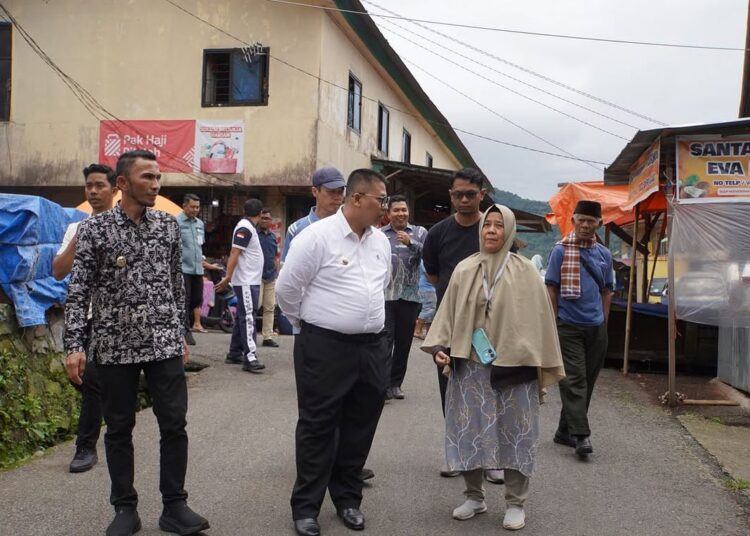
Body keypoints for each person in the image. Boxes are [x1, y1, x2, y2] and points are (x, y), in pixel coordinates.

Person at [64, 150, 209, 536]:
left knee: (174, 424)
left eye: (159, 177)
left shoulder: (167, 226)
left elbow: (175, 285)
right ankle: (125, 507)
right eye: (148, 177)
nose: (156, 184)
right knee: (118, 428)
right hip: (113, 345)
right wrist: (75, 345)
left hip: (163, 344)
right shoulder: (93, 230)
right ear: (124, 183)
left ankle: (175, 506)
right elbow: (78, 292)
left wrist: (180, 332)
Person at [422, 204, 564, 531]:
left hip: (514, 368)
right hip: (470, 367)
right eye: (487, 225)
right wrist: (441, 348)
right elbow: (448, 315)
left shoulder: (526, 271)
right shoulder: (464, 269)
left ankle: (516, 503)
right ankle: (474, 496)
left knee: (516, 433)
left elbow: (540, 321)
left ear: (509, 231)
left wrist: (536, 359)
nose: (491, 231)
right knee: (468, 430)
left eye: (499, 226)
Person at [277, 169, 391, 536]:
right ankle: (306, 507)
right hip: (324, 348)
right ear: (356, 199)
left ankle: (348, 499)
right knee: (317, 427)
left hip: (371, 348)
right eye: (380, 200)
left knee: (360, 426)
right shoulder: (316, 238)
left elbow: (381, 285)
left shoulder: (381, 242)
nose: (384, 207)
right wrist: (312, 326)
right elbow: (287, 291)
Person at [423, 167, 504, 483]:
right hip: (451, 324)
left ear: (481, 194)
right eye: (459, 194)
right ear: (451, 196)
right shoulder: (438, 234)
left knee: (491, 388)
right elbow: (434, 277)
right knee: (452, 389)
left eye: (471, 194)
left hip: (490, 326)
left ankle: (491, 458)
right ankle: (458, 454)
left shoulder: (494, 230)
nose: (465, 199)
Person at [53, 163, 117, 474]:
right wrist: (82, 236)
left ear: (115, 188)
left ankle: (85, 445)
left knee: (93, 380)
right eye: (89, 186)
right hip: (84, 318)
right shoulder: (75, 228)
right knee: (86, 378)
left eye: (99, 186)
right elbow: (58, 270)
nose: (93, 191)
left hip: (117, 320)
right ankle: (92, 439)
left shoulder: (124, 228)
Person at [545, 200, 613, 458]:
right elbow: (550, 286)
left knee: (589, 381)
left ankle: (564, 431)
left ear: (599, 224)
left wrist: (604, 322)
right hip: (567, 324)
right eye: (581, 220)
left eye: (591, 221)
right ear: (573, 221)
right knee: (574, 379)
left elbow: (607, 290)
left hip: (596, 327)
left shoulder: (604, 254)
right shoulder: (560, 251)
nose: (585, 225)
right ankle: (581, 435)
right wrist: (554, 318)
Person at [380, 194, 427, 401]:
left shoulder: (420, 233)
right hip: (386, 296)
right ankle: (382, 384)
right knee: (384, 340)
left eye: (404, 210)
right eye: (396, 210)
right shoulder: (380, 234)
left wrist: (411, 243)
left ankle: (395, 384)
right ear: (388, 213)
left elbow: (430, 255)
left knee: (403, 342)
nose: (401, 213)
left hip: (410, 297)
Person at [216, 199, 266, 373]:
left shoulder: (248, 227)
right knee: (248, 317)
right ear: (260, 213)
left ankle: (235, 353)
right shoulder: (245, 228)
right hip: (246, 280)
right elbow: (234, 252)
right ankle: (250, 356)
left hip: (249, 279)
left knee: (242, 316)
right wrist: (228, 276)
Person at [281, 166, 346, 263]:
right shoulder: (297, 229)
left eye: (340, 192)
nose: (337, 197)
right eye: (331, 192)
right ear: (315, 191)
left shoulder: (347, 228)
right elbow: (286, 268)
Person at [177, 193, 205, 343]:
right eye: (192, 207)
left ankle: (187, 327)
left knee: (197, 299)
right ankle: (185, 331)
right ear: (184, 206)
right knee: (184, 300)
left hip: (197, 268)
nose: (195, 210)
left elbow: (200, 246)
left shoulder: (199, 224)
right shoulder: (177, 221)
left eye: (198, 207)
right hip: (183, 268)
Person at [257, 208, 280, 347]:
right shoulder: (254, 235)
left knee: (270, 307)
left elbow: (276, 257)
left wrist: (278, 273)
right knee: (255, 307)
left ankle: (267, 337)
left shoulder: (273, 237)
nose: (265, 221)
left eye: (267, 218)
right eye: (263, 218)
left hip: (271, 276)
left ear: (271, 221)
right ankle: (248, 335)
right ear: (259, 219)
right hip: (257, 276)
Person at [414, 261, 436, 340]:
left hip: (428, 288)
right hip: (427, 288)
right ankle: (418, 331)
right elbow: (429, 276)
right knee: (428, 309)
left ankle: (427, 333)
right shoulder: (425, 262)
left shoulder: (424, 261)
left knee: (431, 310)